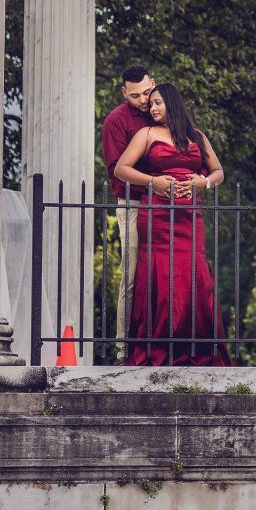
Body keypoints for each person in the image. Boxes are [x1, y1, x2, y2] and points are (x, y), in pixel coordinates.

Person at [113, 82, 231, 366]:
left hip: (189, 215)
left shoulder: (197, 136)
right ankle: (157, 346)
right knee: (159, 276)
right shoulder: (146, 134)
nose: (152, 108)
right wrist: (154, 182)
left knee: (193, 274)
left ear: (172, 104)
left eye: (157, 103)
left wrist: (201, 182)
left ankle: (194, 346)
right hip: (157, 213)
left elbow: (218, 172)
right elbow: (121, 169)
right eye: (150, 104)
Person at [101, 65, 157, 347]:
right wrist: (153, 183)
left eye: (147, 92)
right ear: (124, 92)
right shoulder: (116, 121)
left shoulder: (161, 113)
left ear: (154, 84)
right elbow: (116, 172)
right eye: (135, 96)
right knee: (132, 276)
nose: (143, 100)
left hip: (163, 206)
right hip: (133, 204)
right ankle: (124, 347)